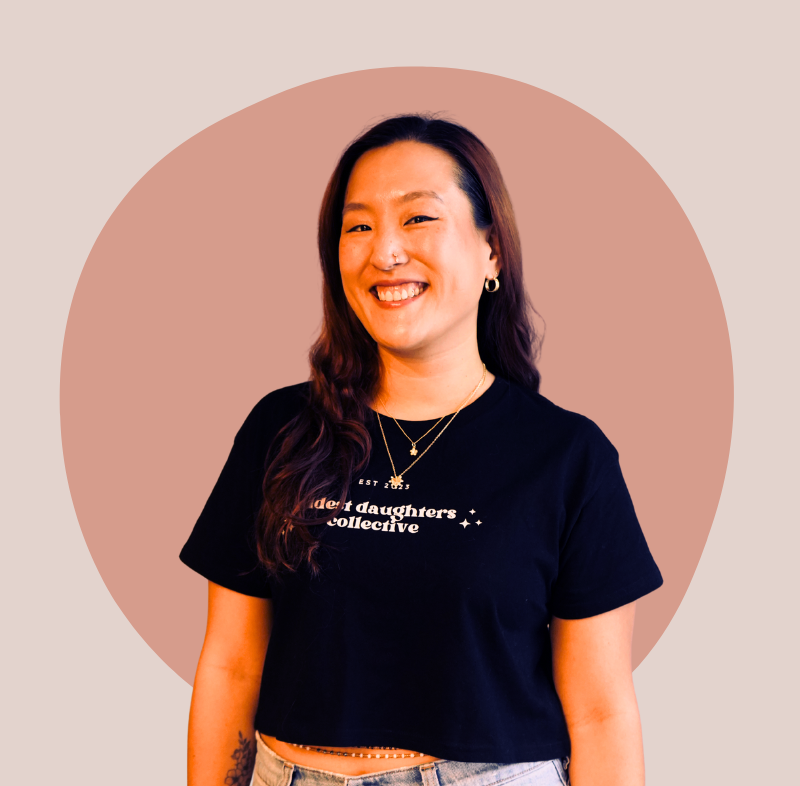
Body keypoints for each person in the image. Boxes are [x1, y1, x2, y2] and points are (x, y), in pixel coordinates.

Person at [179, 113, 664, 786]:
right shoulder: (279, 430)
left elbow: (602, 712)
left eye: (418, 220)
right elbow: (230, 663)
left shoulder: (566, 457)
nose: (385, 253)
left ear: (491, 250)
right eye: (358, 227)